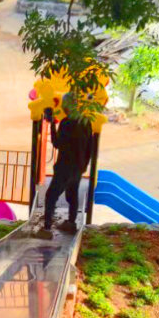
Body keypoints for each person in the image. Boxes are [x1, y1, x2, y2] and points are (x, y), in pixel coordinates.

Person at [41, 92, 94, 236]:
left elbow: (57, 143)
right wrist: (84, 165)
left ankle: (46, 229)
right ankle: (71, 223)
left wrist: (52, 125)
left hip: (65, 167)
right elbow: (90, 147)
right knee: (72, 196)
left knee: (51, 196)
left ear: (67, 106)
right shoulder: (87, 122)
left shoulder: (66, 122)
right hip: (78, 167)